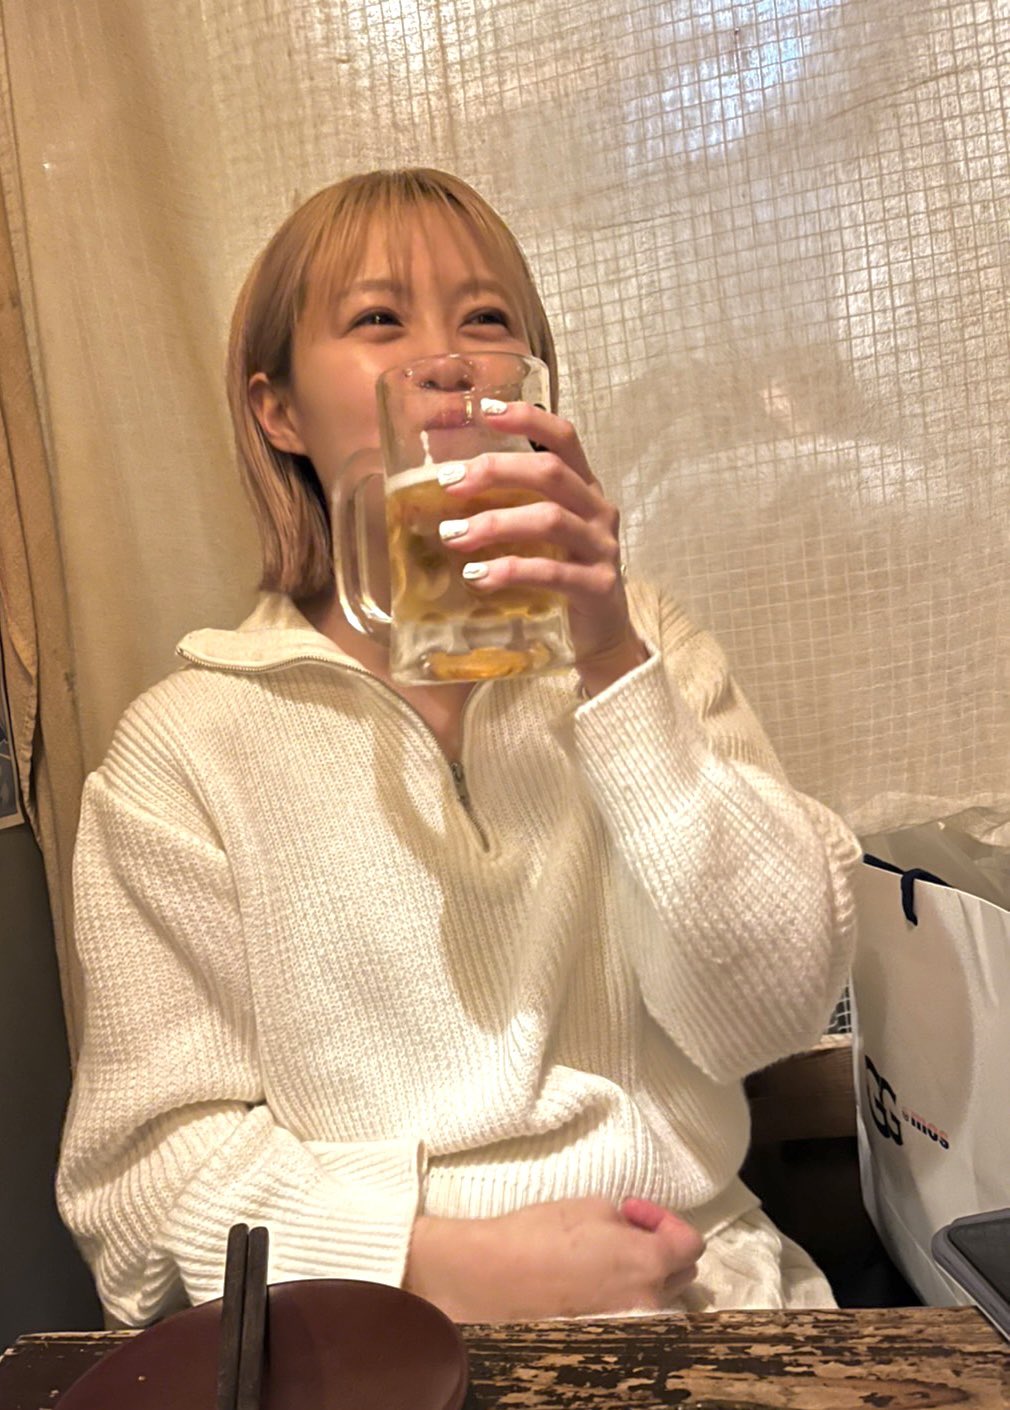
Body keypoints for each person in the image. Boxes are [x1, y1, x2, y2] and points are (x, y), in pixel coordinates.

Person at [57, 168, 861, 1328]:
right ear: (278, 412)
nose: (445, 361)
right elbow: (141, 1190)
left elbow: (771, 1012)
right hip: (355, 1323)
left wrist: (610, 662)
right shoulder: (184, 749)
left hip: (693, 1283)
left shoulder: (649, 649)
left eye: (485, 320)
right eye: (378, 319)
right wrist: (435, 1265)